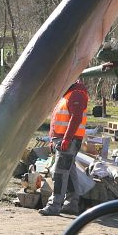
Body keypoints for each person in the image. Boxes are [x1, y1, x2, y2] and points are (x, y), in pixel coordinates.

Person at [40, 79, 88, 217]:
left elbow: (76, 118)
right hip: (63, 140)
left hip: (68, 141)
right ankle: (71, 204)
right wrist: (53, 140)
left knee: (59, 173)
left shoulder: (76, 94)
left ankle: (54, 206)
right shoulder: (68, 95)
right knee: (69, 172)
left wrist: (67, 139)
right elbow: (59, 120)